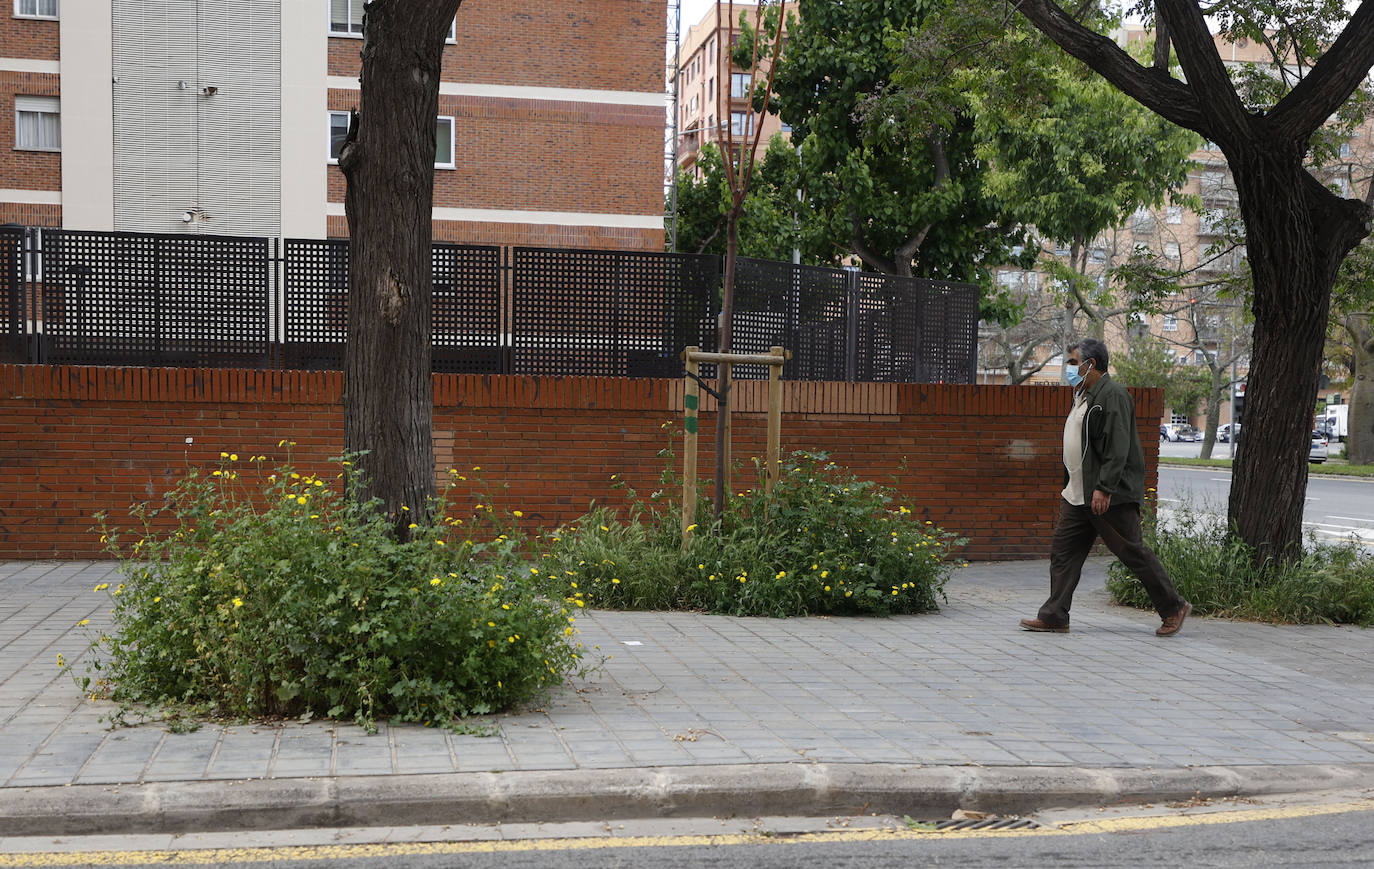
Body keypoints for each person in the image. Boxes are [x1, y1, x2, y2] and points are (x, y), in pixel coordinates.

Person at [1019, 338, 1192, 637]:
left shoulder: (1112, 395)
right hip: (1077, 494)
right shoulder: (1082, 395)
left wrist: (1104, 487)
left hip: (1107, 495)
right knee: (1063, 552)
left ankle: (1174, 606)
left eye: (1073, 363)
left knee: (1132, 552)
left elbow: (1118, 446)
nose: (1069, 369)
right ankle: (1055, 615)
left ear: (1091, 364)